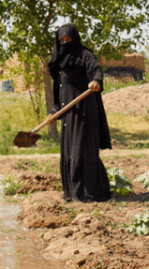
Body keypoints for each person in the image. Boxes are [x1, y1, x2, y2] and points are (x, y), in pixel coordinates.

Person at [47, 23, 112, 203]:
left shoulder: (84, 55)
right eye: (62, 40)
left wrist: (96, 81)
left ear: (75, 39)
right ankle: (72, 192)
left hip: (84, 112)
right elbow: (59, 92)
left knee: (82, 151)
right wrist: (55, 111)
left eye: (69, 39)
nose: (66, 42)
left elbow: (96, 70)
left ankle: (89, 193)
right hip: (68, 114)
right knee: (68, 151)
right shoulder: (59, 62)